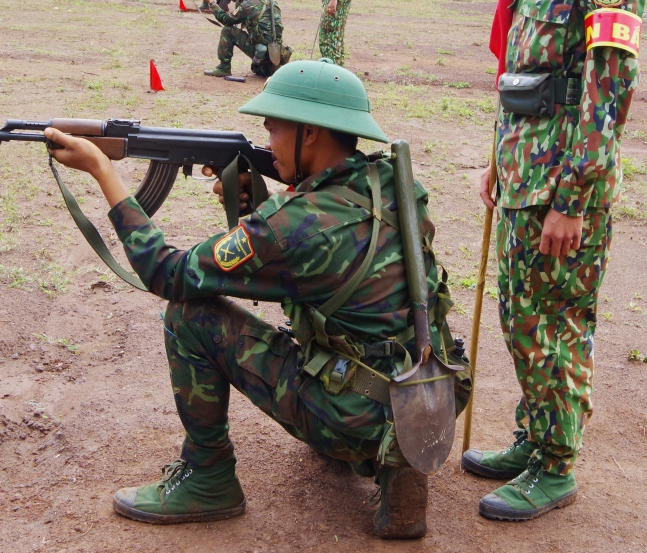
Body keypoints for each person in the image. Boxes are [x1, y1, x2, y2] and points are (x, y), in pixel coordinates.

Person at [44, 58, 450, 538]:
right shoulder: (391, 186)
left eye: (273, 128)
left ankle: (208, 477)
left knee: (189, 315)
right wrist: (254, 210)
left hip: (353, 414)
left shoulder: (291, 224)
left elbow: (167, 273)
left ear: (310, 134)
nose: (267, 140)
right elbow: (321, 269)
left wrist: (102, 172)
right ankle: (396, 463)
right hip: (428, 394)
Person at [468, 0, 647, 521]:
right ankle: (534, 439)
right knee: (520, 313)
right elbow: (530, 68)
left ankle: (558, 463)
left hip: (563, 181)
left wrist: (573, 198)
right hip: (526, 165)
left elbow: (606, 86)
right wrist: (499, 159)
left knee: (556, 320)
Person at [201, 0, 285, 78]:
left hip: (261, 53)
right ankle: (266, 67)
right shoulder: (273, 3)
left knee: (228, 30)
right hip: (274, 54)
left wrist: (211, 2)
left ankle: (224, 68)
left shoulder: (248, 5)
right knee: (258, 70)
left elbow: (226, 20)